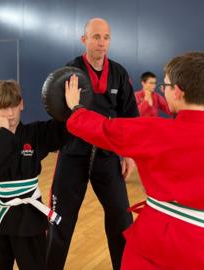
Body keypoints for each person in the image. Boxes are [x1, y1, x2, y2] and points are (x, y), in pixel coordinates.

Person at [64, 52, 204, 269]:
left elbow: (105, 130)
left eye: (165, 85)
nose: (162, 90)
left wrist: (76, 109)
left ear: (178, 91)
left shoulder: (156, 131)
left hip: (155, 242)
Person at [46, 18, 139, 270]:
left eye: (106, 37)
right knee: (60, 220)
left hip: (107, 157)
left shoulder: (119, 73)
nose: (101, 42)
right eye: (96, 37)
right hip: (73, 154)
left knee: (122, 217)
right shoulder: (70, 72)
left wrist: (127, 154)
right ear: (84, 39)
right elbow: (57, 112)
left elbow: (130, 117)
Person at [0, 80, 67, 270]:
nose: (9, 114)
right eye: (3, 108)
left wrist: (69, 105)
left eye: (14, 107)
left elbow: (64, 130)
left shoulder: (35, 134)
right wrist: (5, 133)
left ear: (22, 104)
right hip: (0, 215)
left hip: (29, 219)